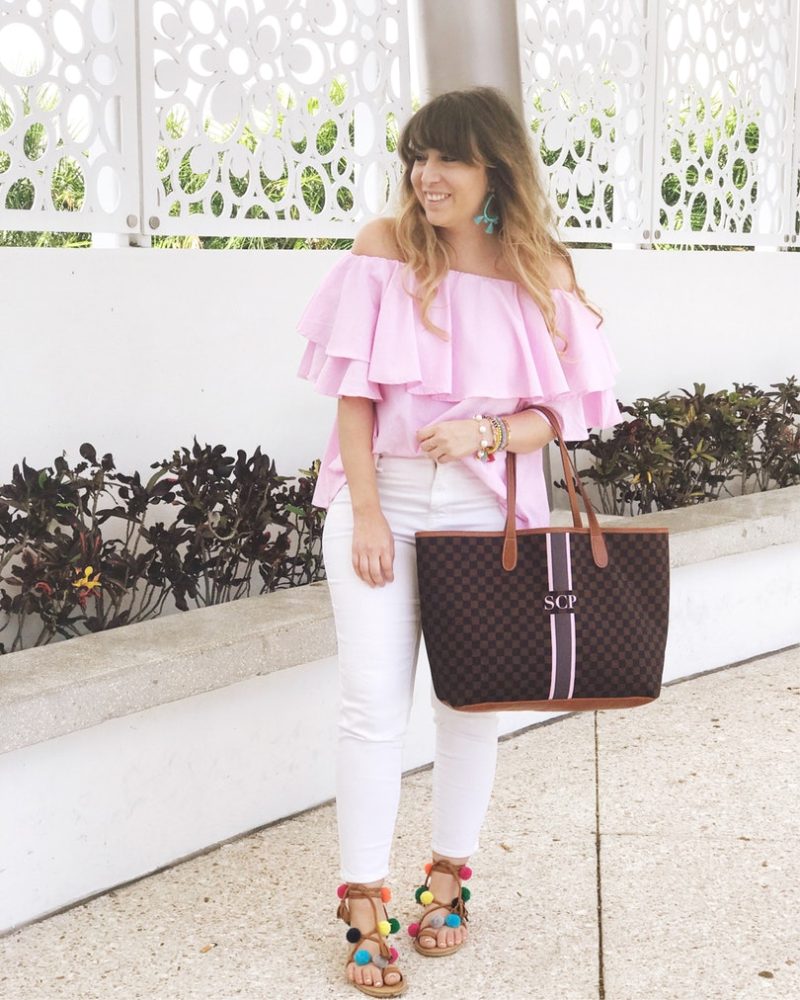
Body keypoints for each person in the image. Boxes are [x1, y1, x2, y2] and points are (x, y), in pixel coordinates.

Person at [295, 86, 622, 997]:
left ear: (495, 170)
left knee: (471, 705)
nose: (425, 176)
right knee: (371, 706)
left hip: (488, 512)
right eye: (417, 157)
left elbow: (558, 417)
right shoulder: (385, 249)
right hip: (384, 501)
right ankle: (364, 903)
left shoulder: (538, 269)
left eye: (447, 159)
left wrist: (482, 434)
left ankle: (449, 881)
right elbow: (354, 401)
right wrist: (365, 514)